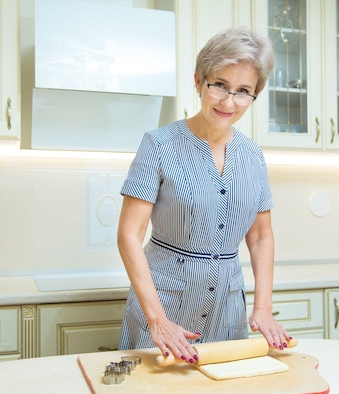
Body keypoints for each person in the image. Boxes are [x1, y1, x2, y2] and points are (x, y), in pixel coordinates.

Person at [117, 26, 291, 364]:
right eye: (220, 86)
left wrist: (263, 309)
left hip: (227, 308)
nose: (229, 101)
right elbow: (129, 233)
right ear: (199, 81)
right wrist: (157, 319)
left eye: (243, 91)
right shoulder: (159, 145)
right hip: (164, 309)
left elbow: (260, 236)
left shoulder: (253, 156)